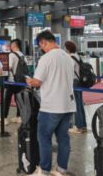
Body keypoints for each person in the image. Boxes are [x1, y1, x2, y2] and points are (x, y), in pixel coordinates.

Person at [26, 30, 76, 176]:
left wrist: (29, 81)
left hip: (51, 106)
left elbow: (37, 82)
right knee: (63, 138)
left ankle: (44, 170)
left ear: (43, 42)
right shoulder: (67, 57)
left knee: (44, 137)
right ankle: (61, 169)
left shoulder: (46, 58)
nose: (41, 49)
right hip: (67, 105)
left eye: (41, 46)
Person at [0, 38, 25, 125]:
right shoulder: (22, 55)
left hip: (12, 81)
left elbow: (8, 68)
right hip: (20, 81)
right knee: (19, 99)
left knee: (7, 99)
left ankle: (4, 118)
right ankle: (19, 117)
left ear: (14, 45)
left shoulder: (12, 55)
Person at [65, 40, 87, 134]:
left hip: (73, 82)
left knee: (76, 104)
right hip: (79, 81)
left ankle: (78, 126)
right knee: (80, 103)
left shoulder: (70, 58)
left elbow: (69, 71)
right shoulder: (77, 56)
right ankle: (83, 125)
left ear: (68, 48)